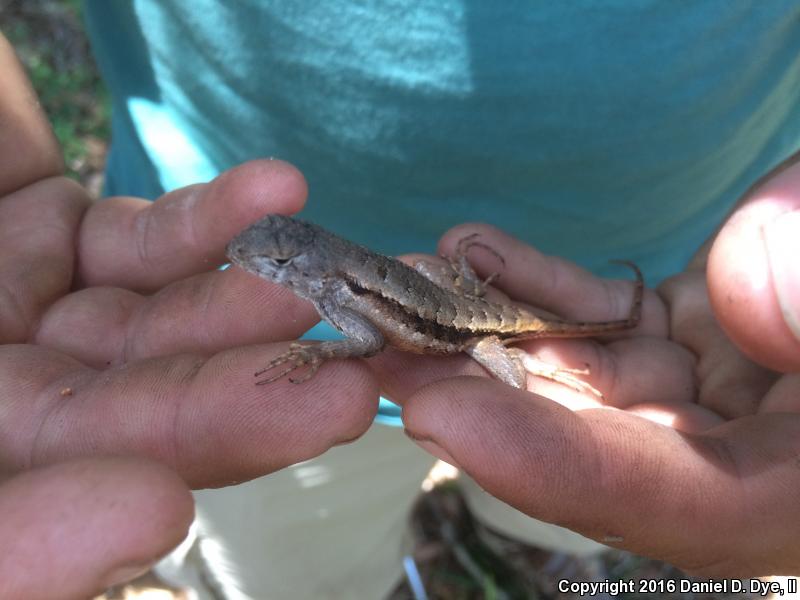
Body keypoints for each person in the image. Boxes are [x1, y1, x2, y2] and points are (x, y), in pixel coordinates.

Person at [2, 2, 800, 598]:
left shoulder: (340, 301)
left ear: (303, 259)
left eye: (274, 259)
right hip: (412, 294)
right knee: (299, 555)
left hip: (466, 330)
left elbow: (363, 344)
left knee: (533, 432)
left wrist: (314, 347)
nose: (259, 264)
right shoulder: (330, 272)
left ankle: (536, 541)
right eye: (268, 256)